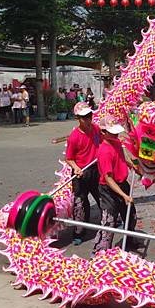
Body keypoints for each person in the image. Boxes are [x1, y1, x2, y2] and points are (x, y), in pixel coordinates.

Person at [93, 116, 142, 254]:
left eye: (116, 132)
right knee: (109, 221)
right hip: (109, 189)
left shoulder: (115, 143)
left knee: (130, 216)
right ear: (103, 132)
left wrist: (132, 165)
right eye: (112, 132)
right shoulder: (104, 151)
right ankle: (100, 251)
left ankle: (130, 240)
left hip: (122, 184)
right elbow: (108, 179)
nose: (116, 135)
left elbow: (122, 157)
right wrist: (124, 196)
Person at [65, 102, 102, 245]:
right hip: (81, 173)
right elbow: (69, 159)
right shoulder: (74, 136)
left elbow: (103, 144)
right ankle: (79, 233)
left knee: (102, 199)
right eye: (84, 117)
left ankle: (110, 225)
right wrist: (76, 168)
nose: (87, 119)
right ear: (78, 118)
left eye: (89, 116)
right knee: (80, 204)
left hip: (96, 170)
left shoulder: (96, 129)